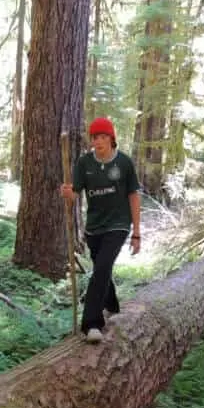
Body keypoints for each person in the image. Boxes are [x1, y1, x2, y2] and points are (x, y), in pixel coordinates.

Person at [60, 117, 141, 344]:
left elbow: (134, 197)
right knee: (101, 268)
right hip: (94, 227)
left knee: (103, 266)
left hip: (118, 224)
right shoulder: (85, 163)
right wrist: (68, 193)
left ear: (112, 139)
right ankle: (112, 304)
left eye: (103, 137)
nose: (99, 141)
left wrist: (136, 233)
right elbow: (75, 193)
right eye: (95, 137)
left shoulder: (124, 163)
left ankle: (92, 323)